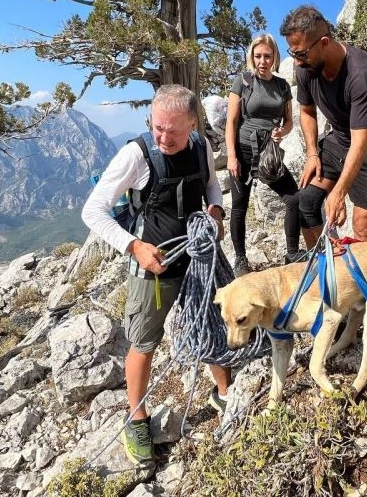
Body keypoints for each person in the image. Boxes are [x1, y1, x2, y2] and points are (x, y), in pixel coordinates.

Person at [81, 84, 230, 465]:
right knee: (144, 343)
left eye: (173, 130)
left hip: (197, 260)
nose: (163, 137)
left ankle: (223, 390)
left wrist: (215, 211)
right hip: (154, 267)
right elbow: (93, 210)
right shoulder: (137, 154)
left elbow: (211, 185)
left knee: (207, 323)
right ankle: (137, 417)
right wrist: (135, 247)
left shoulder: (201, 146)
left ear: (193, 124)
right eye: (157, 127)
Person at [279, 5, 367, 247]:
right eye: (292, 53)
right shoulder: (305, 67)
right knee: (306, 203)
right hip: (340, 139)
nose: (296, 61)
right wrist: (312, 153)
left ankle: (365, 280)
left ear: (324, 42)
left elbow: (361, 141)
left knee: (362, 229)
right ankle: (325, 268)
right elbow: (306, 111)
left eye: (301, 53)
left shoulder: (362, 74)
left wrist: (339, 192)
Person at [225, 33, 303, 276]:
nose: (262, 61)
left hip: (269, 153)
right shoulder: (243, 81)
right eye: (258, 56)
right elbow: (231, 121)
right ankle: (240, 259)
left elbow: (289, 121)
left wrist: (283, 131)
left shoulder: (282, 86)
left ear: (274, 57)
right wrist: (231, 157)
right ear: (252, 57)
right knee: (239, 206)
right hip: (243, 150)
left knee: (293, 199)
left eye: (267, 56)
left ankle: (291, 252)